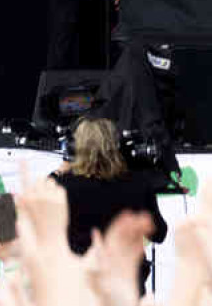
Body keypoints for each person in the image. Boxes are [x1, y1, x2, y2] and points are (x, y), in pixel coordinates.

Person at [50, 117, 168, 295]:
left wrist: (59, 171)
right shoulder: (138, 184)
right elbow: (159, 233)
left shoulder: (63, 186)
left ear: (77, 149)